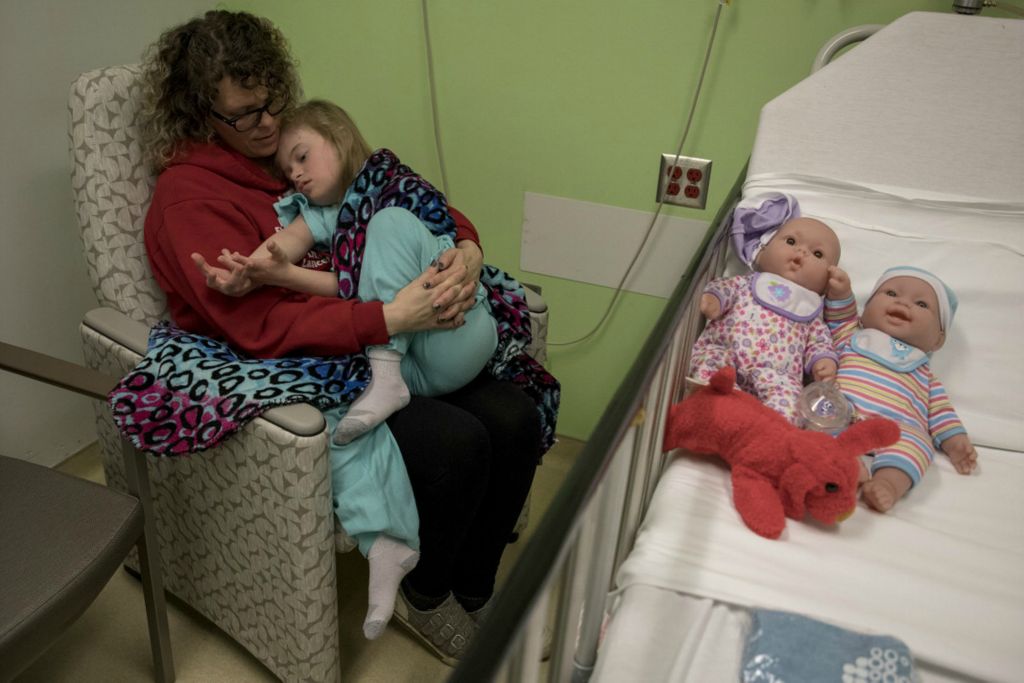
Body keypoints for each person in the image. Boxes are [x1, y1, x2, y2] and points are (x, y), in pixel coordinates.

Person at [138, 9, 554, 663]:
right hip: (300, 358)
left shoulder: (291, 152)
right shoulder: (187, 198)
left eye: (274, 99)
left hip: (371, 332)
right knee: (458, 444)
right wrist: (388, 319)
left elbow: (403, 192)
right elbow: (257, 324)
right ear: (201, 116)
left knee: (517, 418)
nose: (268, 122)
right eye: (246, 114)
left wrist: (468, 251)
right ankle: (427, 592)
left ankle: (474, 588)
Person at [203, 100, 498, 449]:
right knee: (363, 285)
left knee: (389, 221)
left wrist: (468, 249)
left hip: (457, 327)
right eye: (288, 172)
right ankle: (386, 377)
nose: (295, 175)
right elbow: (300, 248)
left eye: (302, 157)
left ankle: (385, 373)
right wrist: (251, 270)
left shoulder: (390, 183)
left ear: (339, 136)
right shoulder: (328, 215)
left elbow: (443, 221)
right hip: (416, 370)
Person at [824, 265, 978, 512]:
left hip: (895, 429)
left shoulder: (925, 375)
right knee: (816, 419)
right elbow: (839, 315)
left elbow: (940, 412)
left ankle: (887, 484)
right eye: (892, 294)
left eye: (921, 304)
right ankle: (846, 469)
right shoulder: (851, 335)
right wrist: (841, 292)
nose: (904, 303)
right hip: (842, 412)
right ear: (864, 313)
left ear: (938, 339)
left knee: (918, 443)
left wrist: (956, 442)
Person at [688, 193, 840, 424]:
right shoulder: (748, 282)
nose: (801, 253)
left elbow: (820, 341)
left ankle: (771, 429)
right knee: (711, 360)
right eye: (791, 241)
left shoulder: (811, 312)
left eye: (817, 254)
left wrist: (823, 362)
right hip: (727, 352)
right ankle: (719, 402)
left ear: (826, 281)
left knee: (790, 399)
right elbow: (725, 287)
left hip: (777, 375)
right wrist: (714, 299)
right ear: (763, 250)